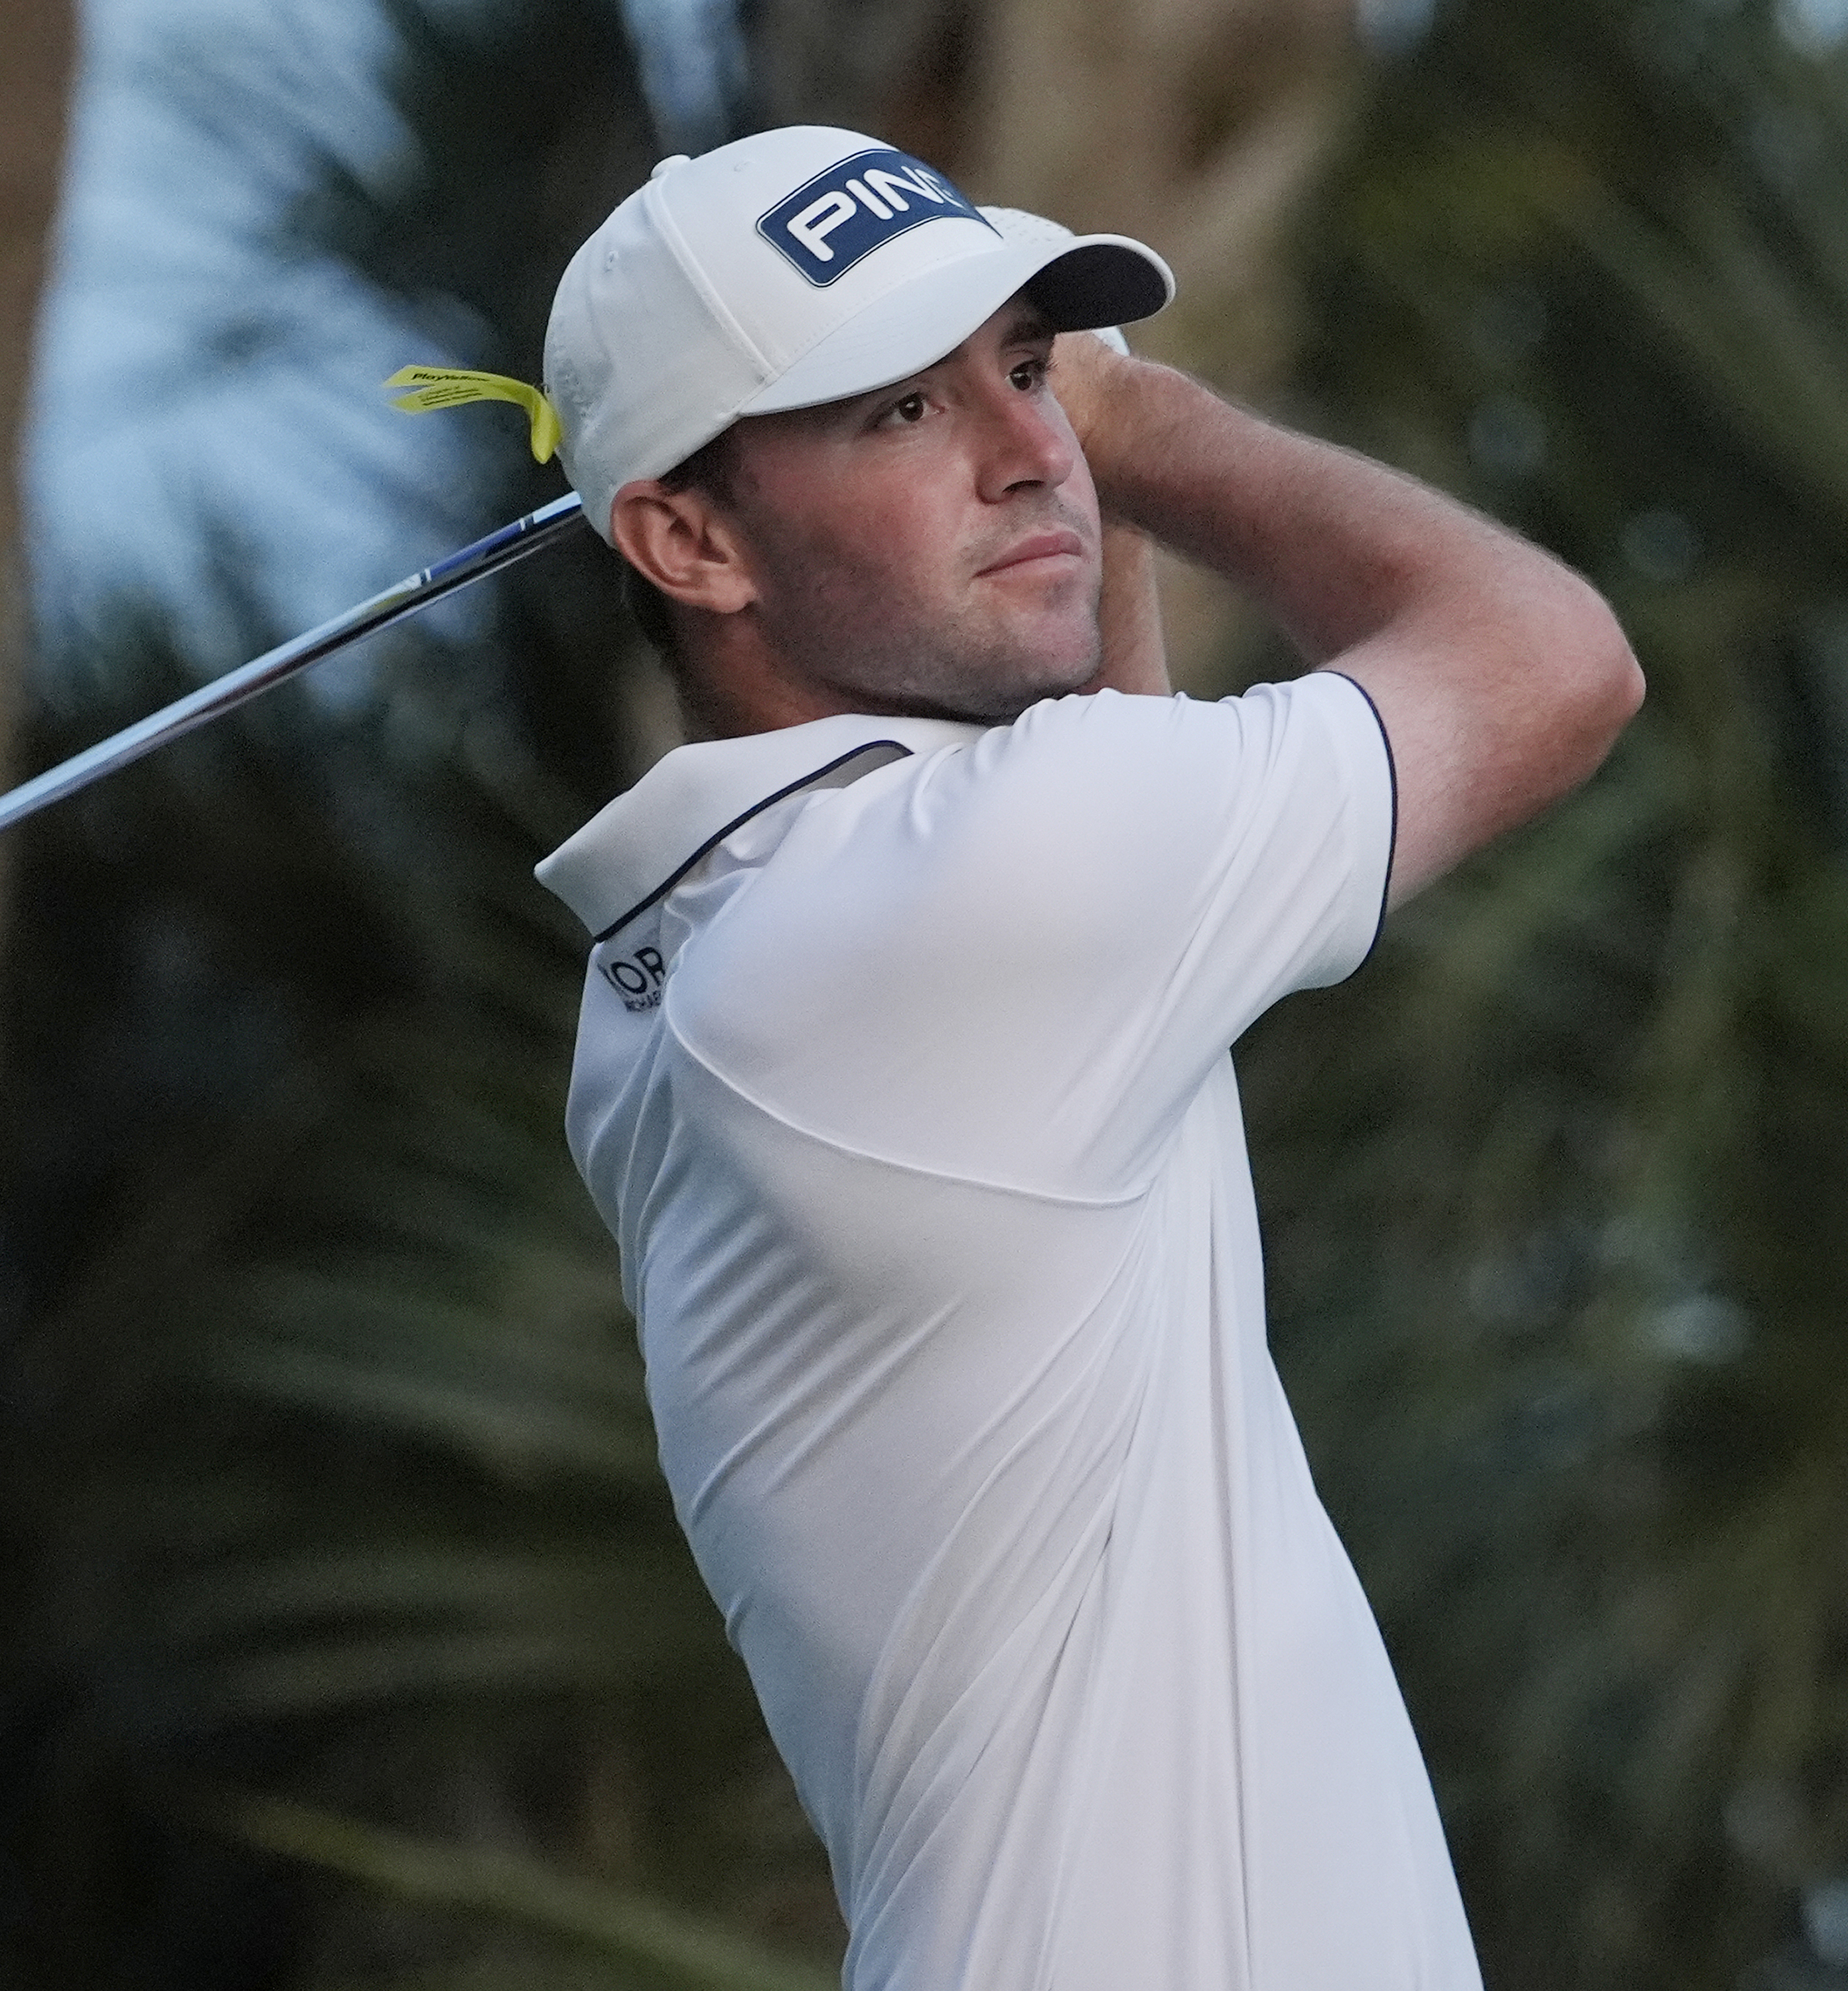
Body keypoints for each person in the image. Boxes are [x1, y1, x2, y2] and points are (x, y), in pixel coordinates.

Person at [527, 125, 1639, 1990]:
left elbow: (1097, 769)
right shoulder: (936, 913)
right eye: (896, 409)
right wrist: (1148, 423)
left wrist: (1036, 475)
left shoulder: (736, 951)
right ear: (684, 535)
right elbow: (1552, 659)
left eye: (1027, 368)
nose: (1029, 447)